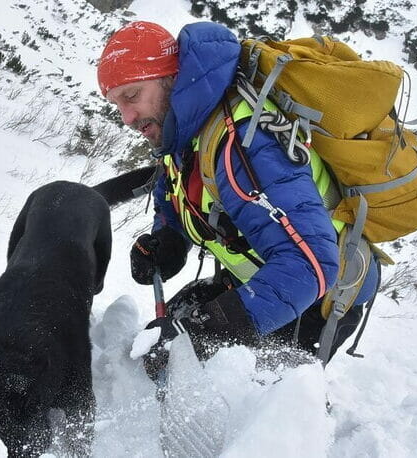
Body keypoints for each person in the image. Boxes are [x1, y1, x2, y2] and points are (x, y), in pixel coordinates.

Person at [97, 21, 380, 375]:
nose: (126, 117)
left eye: (132, 95)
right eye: (116, 103)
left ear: (171, 78)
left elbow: (310, 264)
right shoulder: (182, 133)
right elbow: (175, 194)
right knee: (160, 359)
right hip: (260, 276)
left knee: (256, 407)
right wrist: (168, 238)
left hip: (317, 296)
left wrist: (206, 329)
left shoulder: (244, 146)